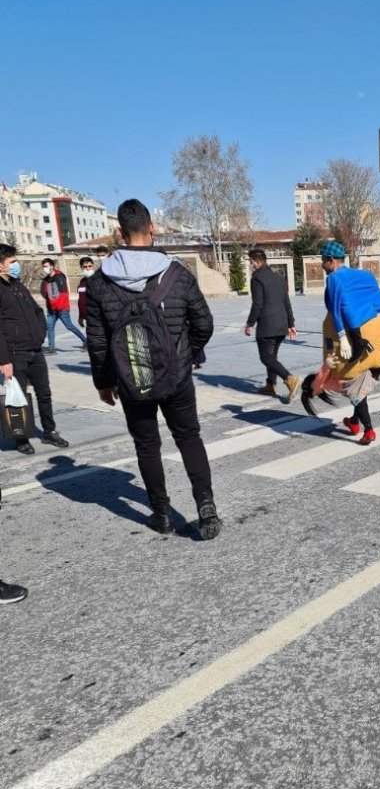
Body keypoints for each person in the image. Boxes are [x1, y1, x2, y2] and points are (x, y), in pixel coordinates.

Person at [85, 199, 221, 539]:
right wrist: (188, 354)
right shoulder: (177, 274)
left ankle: (161, 514)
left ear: (119, 232)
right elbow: (204, 323)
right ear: (152, 228)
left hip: (133, 380)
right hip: (177, 376)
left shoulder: (100, 282)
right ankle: (206, 507)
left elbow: (97, 340)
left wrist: (104, 382)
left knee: (147, 446)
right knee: (189, 437)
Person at [303, 240, 380, 445]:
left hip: (357, 339)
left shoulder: (333, 279)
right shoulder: (364, 275)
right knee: (358, 394)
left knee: (357, 395)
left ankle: (368, 430)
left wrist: (345, 338)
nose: (322, 264)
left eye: (323, 260)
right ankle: (354, 421)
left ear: (331, 260)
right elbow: (378, 298)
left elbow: (339, 309)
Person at [0, 244, 70, 455]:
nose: (16, 265)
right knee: (18, 397)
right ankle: (21, 438)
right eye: (12, 262)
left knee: (44, 394)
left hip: (35, 350)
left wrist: (40, 334)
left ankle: (50, 431)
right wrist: (4, 360)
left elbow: (38, 311)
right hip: (14, 353)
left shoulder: (18, 286)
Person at [244, 248, 301, 400]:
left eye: (251, 262)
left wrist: (250, 323)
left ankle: (289, 378)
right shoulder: (279, 278)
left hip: (267, 325)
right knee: (272, 356)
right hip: (281, 323)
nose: (250, 265)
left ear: (256, 262)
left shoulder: (257, 278)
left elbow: (257, 303)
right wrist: (291, 323)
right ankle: (271, 385)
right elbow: (286, 302)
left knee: (266, 357)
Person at [39, 258, 87, 353]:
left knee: (69, 326)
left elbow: (63, 294)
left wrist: (58, 306)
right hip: (51, 308)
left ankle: (85, 341)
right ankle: (51, 349)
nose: (44, 268)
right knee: (50, 327)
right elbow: (44, 292)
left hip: (61, 308)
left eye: (46, 266)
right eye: (43, 267)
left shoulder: (59, 277)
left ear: (52, 266)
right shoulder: (46, 279)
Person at [76, 256, 95, 328]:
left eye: (90, 266)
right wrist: (81, 315)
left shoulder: (98, 280)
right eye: (85, 267)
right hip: (87, 318)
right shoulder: (82, 282)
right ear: (81, 268)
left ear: (93, 266)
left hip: (97, 318)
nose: (88, 269)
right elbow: (81, 300)